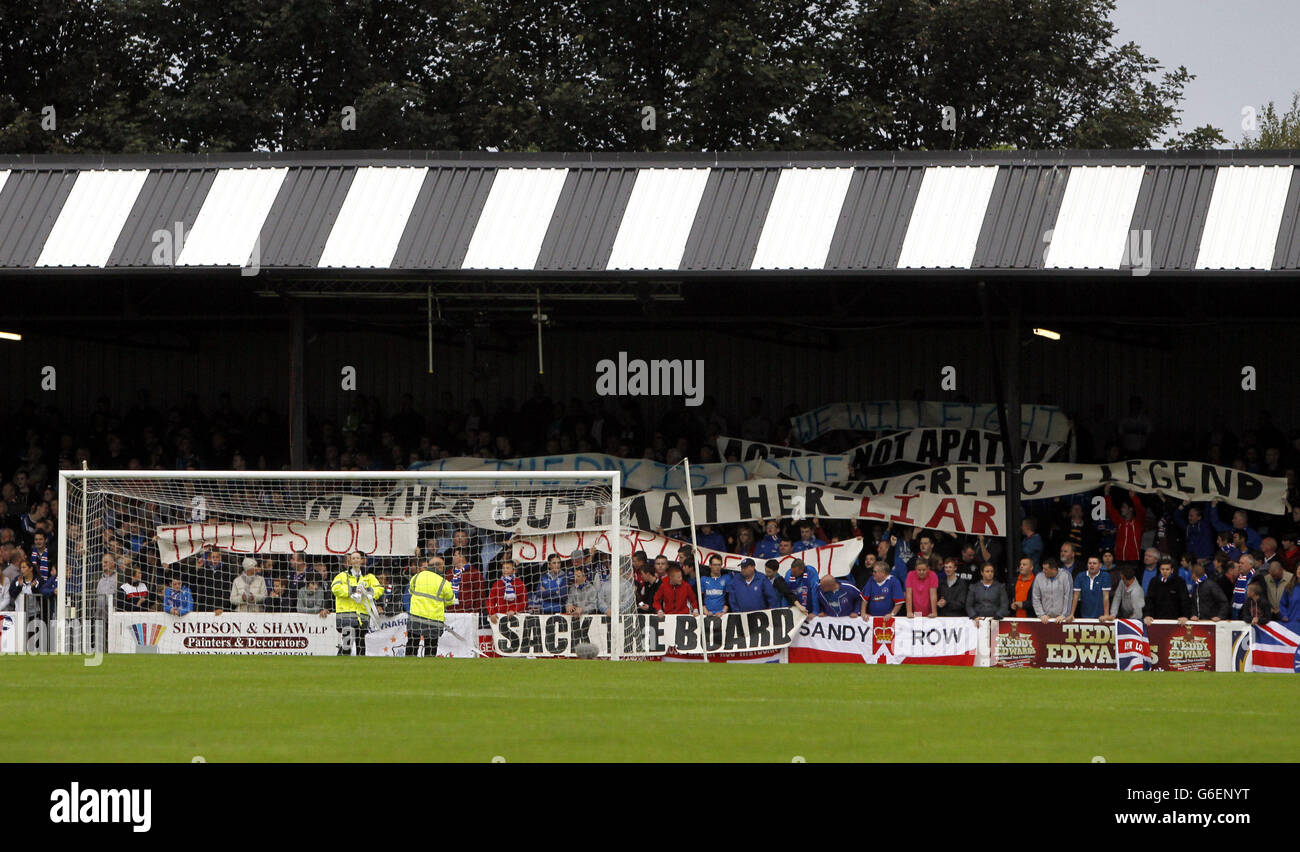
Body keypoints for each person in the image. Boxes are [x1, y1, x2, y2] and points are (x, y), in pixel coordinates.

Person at [331, 551, 385, 656]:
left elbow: (379, 589)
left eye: (358, 558)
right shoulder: (342, 576)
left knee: (361, 645)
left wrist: (367, 591)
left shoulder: (369, 577)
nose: (356, 560)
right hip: (347, 615)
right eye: (353, 558)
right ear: (350, 561)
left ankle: (360, 669)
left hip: (362, 615)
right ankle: (342, 665)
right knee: (347, 643)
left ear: (362, 561)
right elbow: (335, 589)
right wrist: (353, 589)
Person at [406, 556, 456, 657]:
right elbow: (451, 600)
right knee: (430, 648)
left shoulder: (417, 576)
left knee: (412, 644)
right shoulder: (443, 583)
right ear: (440, 568)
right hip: (434, 620)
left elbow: (411, 591)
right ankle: (429, 670)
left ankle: (407, 668)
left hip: (415, 617)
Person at [1104, 485, 1146, 563]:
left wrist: (1134, 497)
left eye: (1123, 507)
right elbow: (1110, 510)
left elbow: (1141, 510)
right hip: (1119, 559)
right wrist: (1106, 493)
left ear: (1130, 509)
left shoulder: (1138, 522)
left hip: (1134, 560)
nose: (1121, 509)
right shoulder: (1120, 522)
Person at [1143, 558, 1191, 625]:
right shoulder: (1154, 581)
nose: (1164, 571)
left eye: (1167, 569)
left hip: (1176, 621)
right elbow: (1149, 600)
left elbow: (1184, 600)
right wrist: (1147, 614)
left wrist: (1185, 616)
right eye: (1162, 569)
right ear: (1159, 570)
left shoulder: (1180, 582)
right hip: (1157, 620)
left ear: (1172, 570)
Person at [1031, 559, 1073, 623]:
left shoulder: (1066, 575)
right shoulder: (1039, 577)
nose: (1043, 571)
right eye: (1043, 568)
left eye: (1046, 569)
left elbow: (1068, 596)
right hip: (1045, 618)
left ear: (1053, 569)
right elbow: (1035, 598)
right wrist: (1041, 614)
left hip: (1061, 618)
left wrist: (1064, 615)